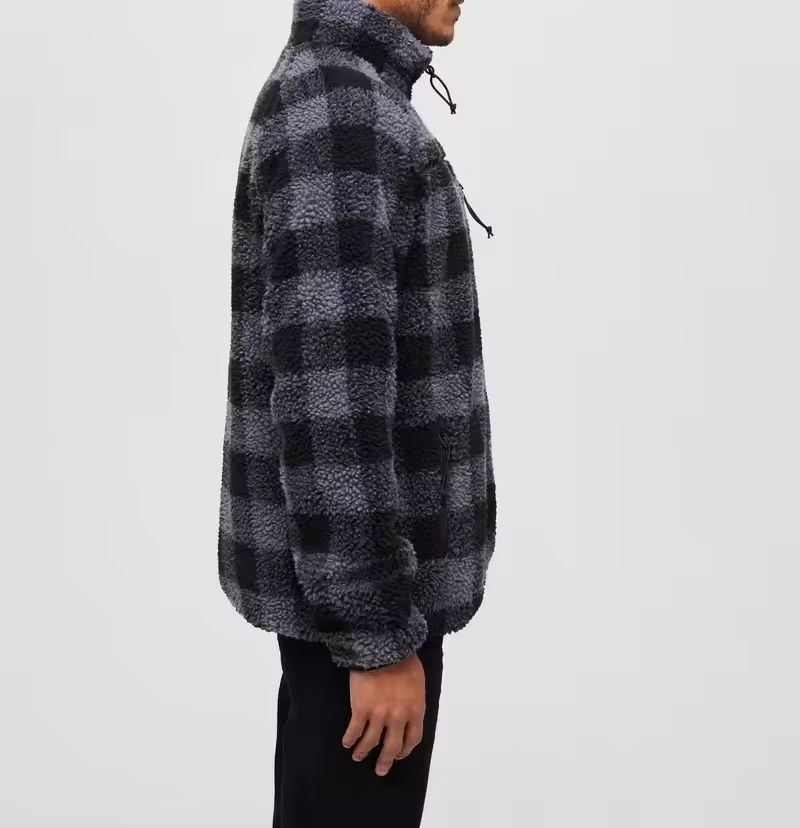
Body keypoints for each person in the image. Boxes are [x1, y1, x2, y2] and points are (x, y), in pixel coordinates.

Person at [217, 0, 497, 824]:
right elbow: (329, 398)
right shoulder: (340, 110)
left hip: (363, 612)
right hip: (365, 622)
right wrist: (375, 637)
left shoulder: (348, 94)